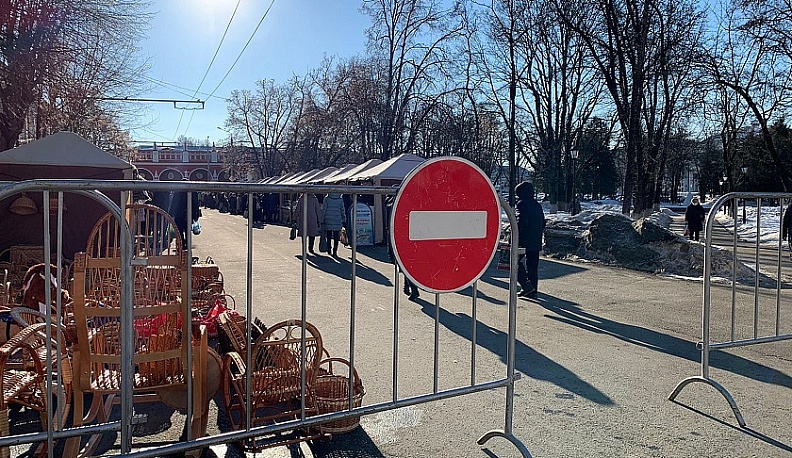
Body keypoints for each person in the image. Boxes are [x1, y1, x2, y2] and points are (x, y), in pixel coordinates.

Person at [385, 194, 420, 300]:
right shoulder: (405, 201)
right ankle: (407, 287)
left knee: (404, 264)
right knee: (405, 263)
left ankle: (413, 289)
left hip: (398, 235)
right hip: (407, 235)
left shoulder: (391, 202)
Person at [515, 182, 545, 299]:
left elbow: (521, 222)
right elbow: (543, 222)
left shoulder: (522, 204)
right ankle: (533, 289)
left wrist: (515, 234)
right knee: (532, 265)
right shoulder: (537, 205)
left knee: (512, 262)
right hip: (536, 240)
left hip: (523, 240)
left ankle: (526, 285)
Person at [152, 182, 201, 250]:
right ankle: (187, 243)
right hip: (188, 214)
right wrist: (196, 215)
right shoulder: (192, 191)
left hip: (179, 214)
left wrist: (171, 214)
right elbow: (196, 203)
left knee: (180, 231)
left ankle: (182, 244)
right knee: (187, 230)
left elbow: (174, 203)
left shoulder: (178, 192)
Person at [321, 192, 346, 257]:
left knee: (328, 235)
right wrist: (343, 218)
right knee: (336, 236)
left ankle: (329, 249)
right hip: (337, 219)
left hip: (328, 219)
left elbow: (324, 209)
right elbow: (342, 210)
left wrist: (322, 219)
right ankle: (335, 251)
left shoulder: (326, 198)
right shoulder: (340, 199)